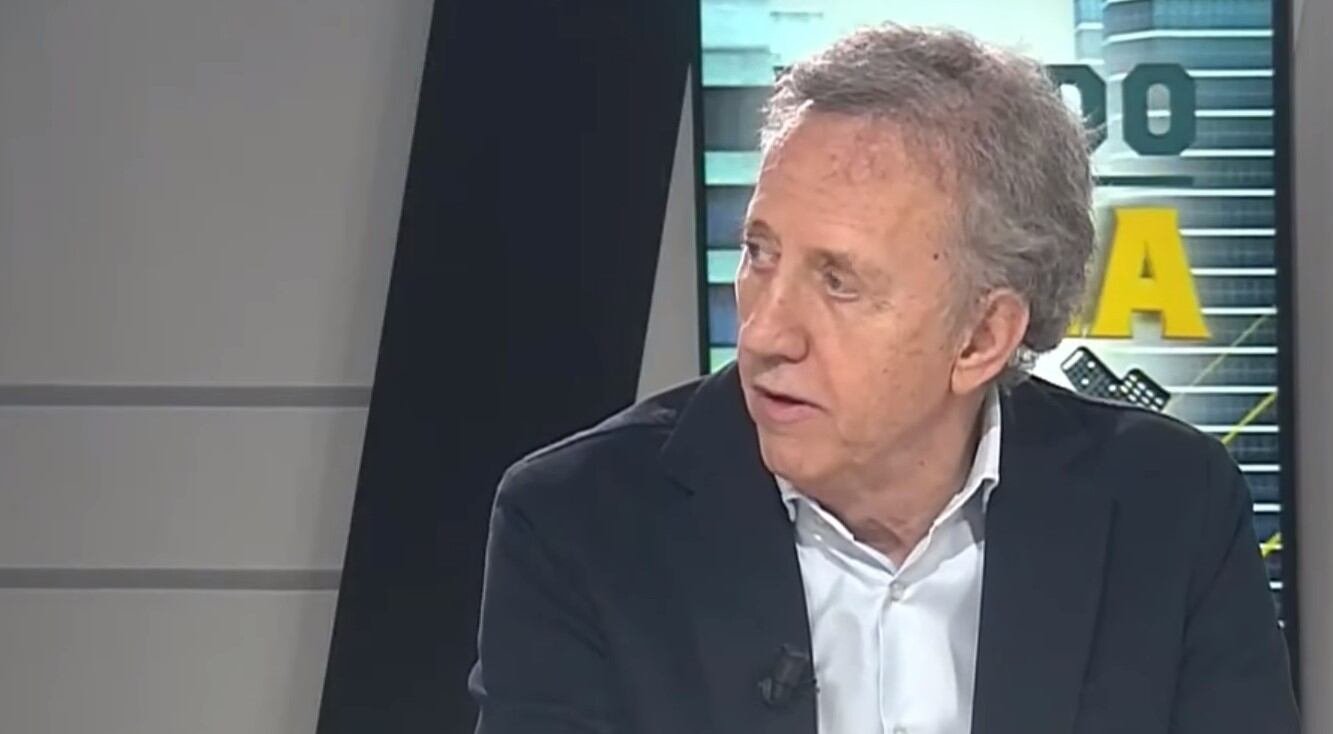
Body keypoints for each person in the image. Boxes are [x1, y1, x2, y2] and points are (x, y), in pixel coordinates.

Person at [468, 24, 1300, 734]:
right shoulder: (581, 525)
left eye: (838, 282)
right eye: (760, 253)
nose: (764, 334)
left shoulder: (1168, 512)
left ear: (981, 337)